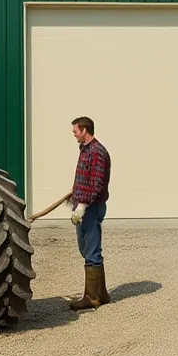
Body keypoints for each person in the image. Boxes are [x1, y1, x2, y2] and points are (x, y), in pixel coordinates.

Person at [68, 116, 111, 311]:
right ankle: (101, 293)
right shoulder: (85, 150)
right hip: (83, 205)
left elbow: (96, 183)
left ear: (84, 130)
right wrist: (75, 196)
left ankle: (92, 297)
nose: (74, 134)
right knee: (86, 248)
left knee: (91, 249)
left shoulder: (97, 152)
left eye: (75, 131)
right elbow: (84, 179)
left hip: (91, 208)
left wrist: (83, 205)